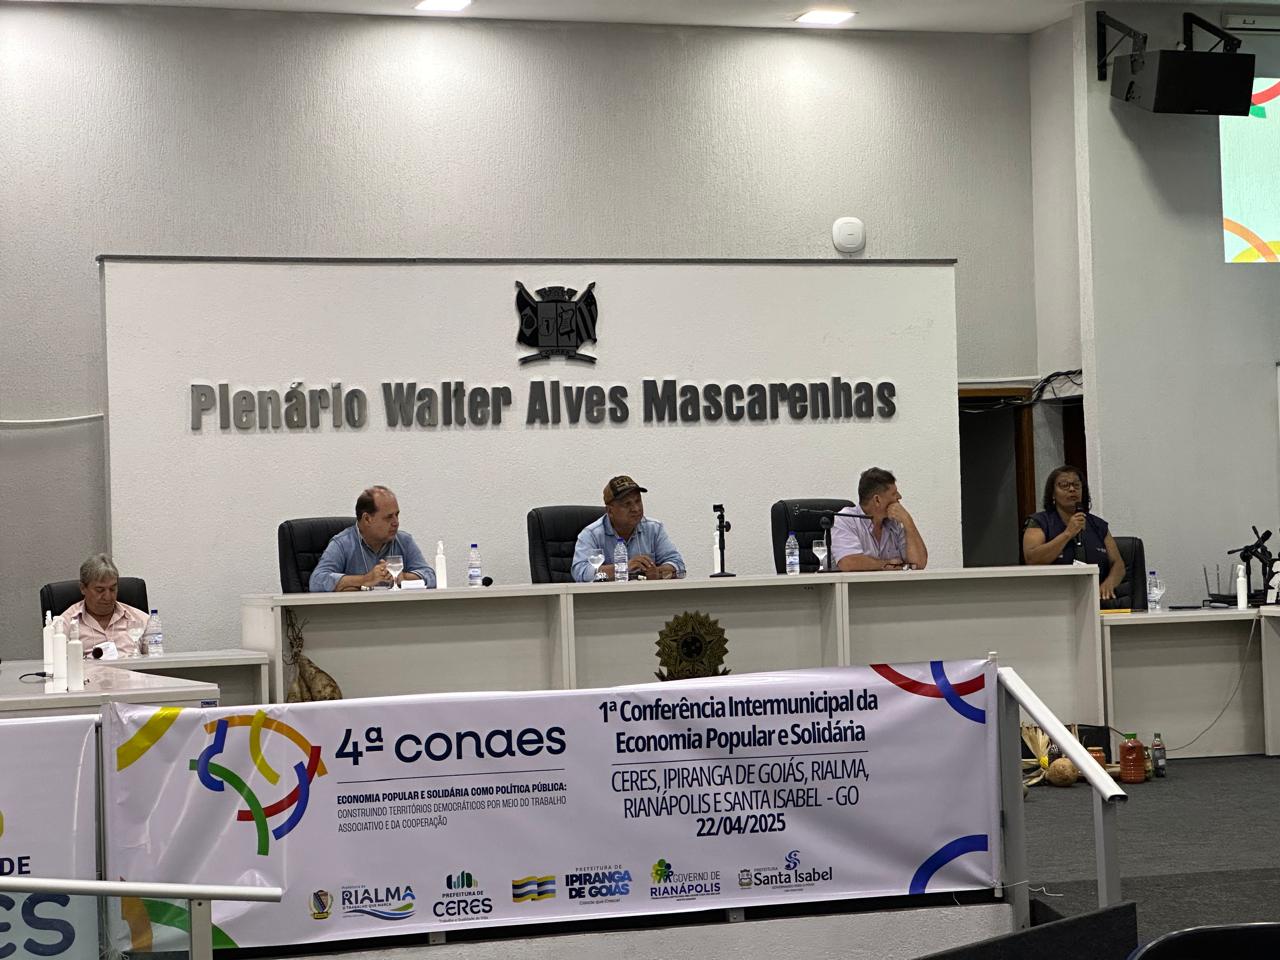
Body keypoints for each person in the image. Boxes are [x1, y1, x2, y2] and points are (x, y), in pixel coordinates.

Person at [1023, 465, 1124, 602]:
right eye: (1064, 485)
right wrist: (1068, 533)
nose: (1072, 489)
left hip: (1096, 600)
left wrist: (1109, 583)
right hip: (1051, 600)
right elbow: (1032, 559)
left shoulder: (1098, 525)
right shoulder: (1040, 522)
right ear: (1053, 494)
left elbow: (1118, 563)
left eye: (1076, 485)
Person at [309, 485, 436, 591]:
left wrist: (403, 577)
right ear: (367, 519)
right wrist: (365, 579)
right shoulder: (342, 543)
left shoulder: (404, 541)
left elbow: (431, 577)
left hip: (397, 610)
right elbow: (316, 581)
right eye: (389, 517)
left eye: (397, 515)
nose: (396, 522)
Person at [571, 476, 686, 582]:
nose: (636, 509)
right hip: (608, 596)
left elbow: (678, 565)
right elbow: (580, 572)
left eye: (638, 501)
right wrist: (622, 568)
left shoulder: (654, 529)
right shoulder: (591, 534)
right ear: (610, 511)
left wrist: (658, 573)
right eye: (627, 504)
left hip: (646, 595)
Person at [832, 467, 929, 572]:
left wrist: (908, 521)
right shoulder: (845, 520)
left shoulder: (895, 522)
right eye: (894, 493)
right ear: (877, 500)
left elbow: (919, 564)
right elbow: (848, 563)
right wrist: (886, 564)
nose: (899, 497)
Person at [57, 553, 150, 656]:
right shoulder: (64, 624)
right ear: (83, 588)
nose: (108, 597)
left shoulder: (142, 620)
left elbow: (156, 661)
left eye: (112, 589)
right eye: (100, 590)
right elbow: (58, 663)